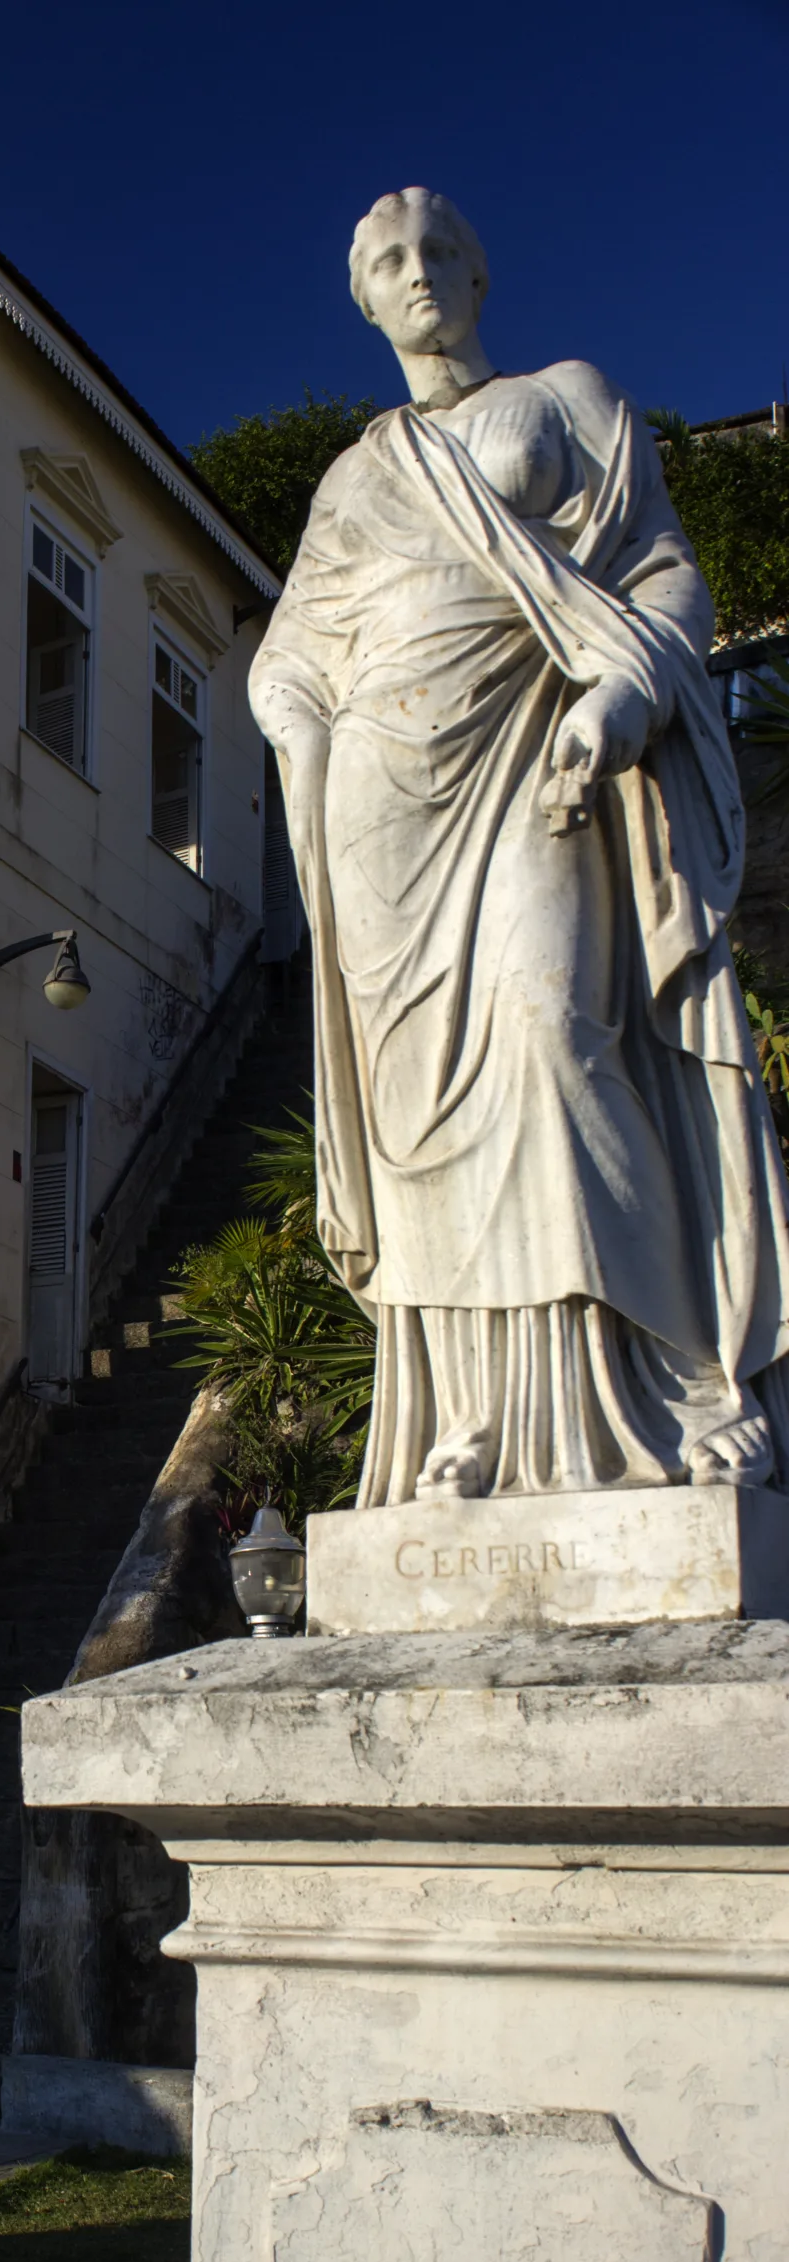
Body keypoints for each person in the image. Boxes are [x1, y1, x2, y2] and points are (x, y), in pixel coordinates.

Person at [249, 186, 789, 1507]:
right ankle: (477, 1421)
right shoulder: (352, 474)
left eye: (439, 250)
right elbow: (292, 652)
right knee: (421, 1121)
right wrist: (293, 722)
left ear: (478, 277)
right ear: (362, 299)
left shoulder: (563, 399)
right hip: (381, 809)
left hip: (540, 764)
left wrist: (621, 695)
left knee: (554, 1036)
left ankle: (666, 1385)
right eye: (387, 259)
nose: (416, 271)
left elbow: (664, 575)